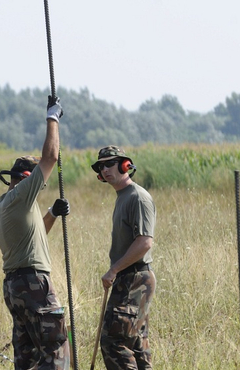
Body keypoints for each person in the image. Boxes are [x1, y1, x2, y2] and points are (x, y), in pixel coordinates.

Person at [0, 96, 70, 370]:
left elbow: (33, 239)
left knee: (27, 357)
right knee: (56, 350)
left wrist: (51, 213)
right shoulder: (22, 195)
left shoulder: (4, 204)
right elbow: (50, 157)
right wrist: (53, 116)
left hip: (15, 287)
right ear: (26, 180)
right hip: (34, 284)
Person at [91, 145, 156, 370]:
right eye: (101, 166)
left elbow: (145, 242)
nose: (106, 169)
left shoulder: (137, 197)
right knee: (136, 343)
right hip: (129, 278)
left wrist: (114, 269)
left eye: (110, 163)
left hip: (134, 278)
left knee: (114, 341)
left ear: (124, 165)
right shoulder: (123, 196)